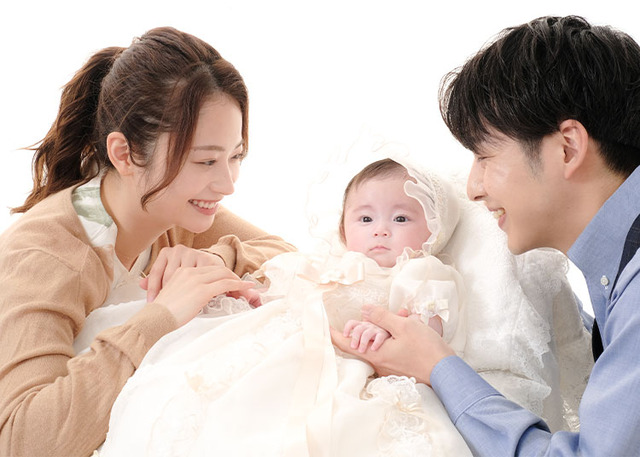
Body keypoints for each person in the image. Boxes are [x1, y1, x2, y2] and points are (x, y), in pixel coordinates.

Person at [332, 15, 640, 456]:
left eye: (484, 156)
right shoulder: (618, 278)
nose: (473, 188)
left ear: (568, 147)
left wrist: (439, 367)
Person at [0, 27, 295, 457]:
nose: (227, 183)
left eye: (236, 156)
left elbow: (290, 257)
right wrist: (162, 316)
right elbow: (23, 440)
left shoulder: (174, 211)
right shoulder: (49, 254)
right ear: (124, 154)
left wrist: (217, 259)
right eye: (205, 161)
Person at [97, 158, 472, 456]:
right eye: (365, 218)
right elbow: (288, 285)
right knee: (219, 389)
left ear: (434, 229)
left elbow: (427, 330)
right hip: (290, 338)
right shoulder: (328, 261)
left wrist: (383, 331)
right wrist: (258, 296)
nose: (381, 229)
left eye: (401, 218)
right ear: (344, 227)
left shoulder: (421, 271)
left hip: (345, 362)